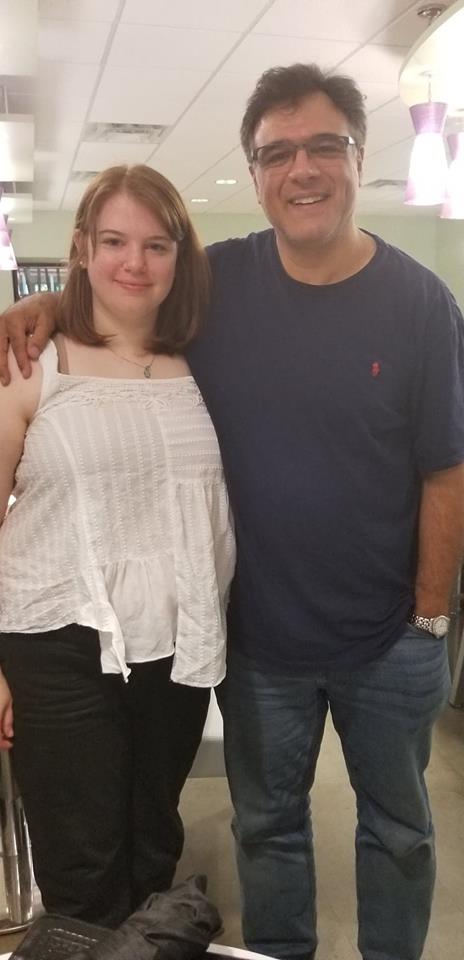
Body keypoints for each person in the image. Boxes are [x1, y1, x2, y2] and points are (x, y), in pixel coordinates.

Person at [1, 63, 464, 960]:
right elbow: (125, 287)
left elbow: (447, 469)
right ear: (254, 172)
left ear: (359, 156)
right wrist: (41, 302)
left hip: (389, 638)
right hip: (256, 643)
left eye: (324, 145)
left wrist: (430, 617)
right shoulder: (224, 285)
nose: (302, 169)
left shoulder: (419, 302)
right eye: (277, 152)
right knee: (267, 829)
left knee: (401, 831)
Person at [0, 164, 235, 928]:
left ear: (179, 256)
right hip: (57, 645)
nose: (135, 262)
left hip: (177, 645)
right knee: (84, 871)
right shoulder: (30, 365)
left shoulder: (205, 359)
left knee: (152, 847)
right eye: (113, 242)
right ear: (81, 248)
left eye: (156, 245)